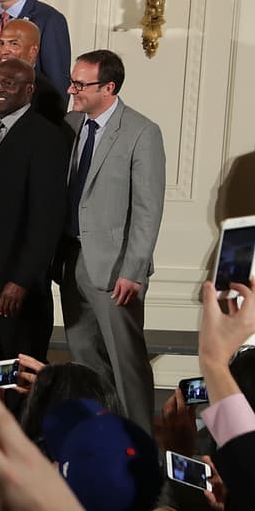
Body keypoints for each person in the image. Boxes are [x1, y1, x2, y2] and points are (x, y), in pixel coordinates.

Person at [57, 49, 165, 431]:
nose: (72, 90)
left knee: (126, 365)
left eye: (81, 84)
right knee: (86, 362)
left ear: (109, 87)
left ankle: (142, 451)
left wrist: (132, 271)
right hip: (70, 262)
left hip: (117, 269)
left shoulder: (141, 132)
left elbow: (147, 210)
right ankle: (102, 440)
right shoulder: (70, 123)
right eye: (73, 81)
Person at [0, 59, 68, 363]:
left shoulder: (46, 138)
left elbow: (46, 219)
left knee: (16, 373)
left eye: (8, 83)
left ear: (29, 90)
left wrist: (21, 280)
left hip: (17, 286)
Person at [0, 18, 69, 127]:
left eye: (14, 44)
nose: (4, 51)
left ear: (33, 51)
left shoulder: (48, 96)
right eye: (1, 43)